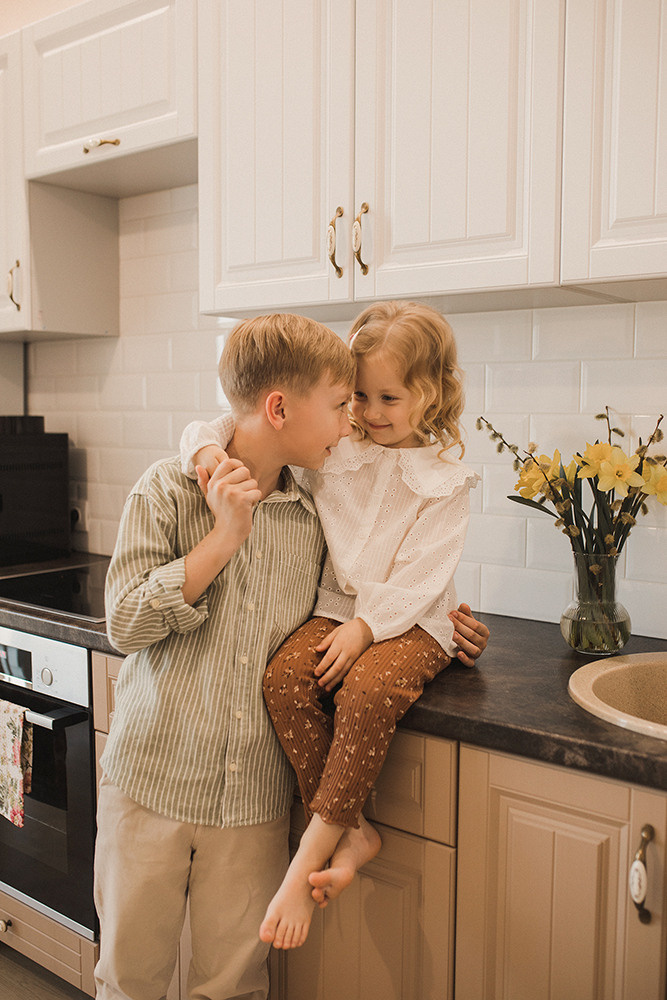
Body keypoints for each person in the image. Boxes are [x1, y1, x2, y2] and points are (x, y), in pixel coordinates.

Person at [180, 300, 487, 955]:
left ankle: (307, 860)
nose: (369, 413)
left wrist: (367, 627)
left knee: (367, 692)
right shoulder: (336, 448)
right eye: (358, 397)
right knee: (284, 682)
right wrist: (206, 448)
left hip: (414, 620)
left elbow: (423, 575)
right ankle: (353, 831)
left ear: (431, 395)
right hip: (337, 610)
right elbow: (223, 422)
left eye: (388, 398)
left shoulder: (445, 480)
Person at [95, 314, 357, 1000]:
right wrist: (224, 538)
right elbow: (124, 623)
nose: (349, 421)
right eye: (338, 404)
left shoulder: (317, 514)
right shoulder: (166, 489)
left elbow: (358, 595)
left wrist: (439, 618)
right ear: (279, 408)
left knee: (234, 987)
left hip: (253, 802)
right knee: (128, 981)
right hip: (148, 784)